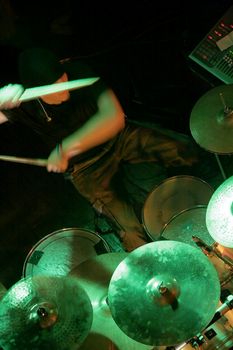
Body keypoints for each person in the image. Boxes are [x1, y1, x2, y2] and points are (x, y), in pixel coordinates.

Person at [0, 47, 198, 252]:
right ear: (36, 92)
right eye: (54, 88)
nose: (63, 89)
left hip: (118, 139)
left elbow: (114, 118)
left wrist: (65, 149)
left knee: (182, 149)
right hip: (84, 167)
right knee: (131, 234)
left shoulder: (77, 71)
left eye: (63, 80)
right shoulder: (23, 104)